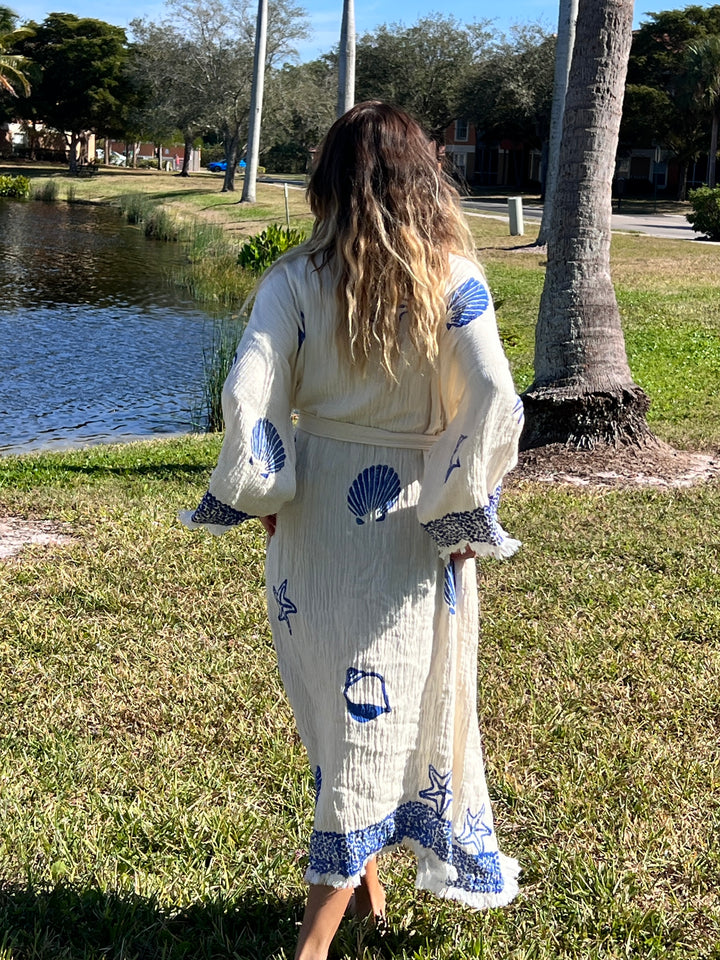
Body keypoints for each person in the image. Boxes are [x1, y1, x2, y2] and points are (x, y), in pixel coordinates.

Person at [181, 101, 524, 960]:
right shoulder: (451, 277)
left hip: (313, 527)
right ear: (423, 177)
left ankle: (351, 898)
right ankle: (312, 947)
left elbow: (249, 391)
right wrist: (457, 499)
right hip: (413, 526)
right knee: (368, 721)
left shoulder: (294, 279)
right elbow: (493, 395)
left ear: (329, 178)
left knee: (346, 721)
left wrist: (266, 492)